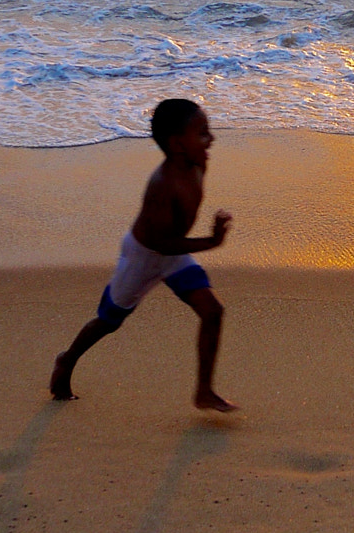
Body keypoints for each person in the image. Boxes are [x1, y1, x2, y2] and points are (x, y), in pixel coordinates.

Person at [49, 98, 236, 410]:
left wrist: (204, 238)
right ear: (178, 145)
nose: (211, 139)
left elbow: (176, 236)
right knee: (109, 321)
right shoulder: (162, 186)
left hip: (172, 252)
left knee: (213, 312)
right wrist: (211, 242)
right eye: (202, 133)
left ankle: (203, 392)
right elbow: (163, 244)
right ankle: (66, 360)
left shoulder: (198, 164)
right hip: (143, 257)